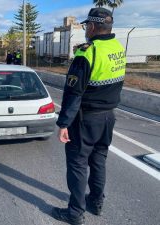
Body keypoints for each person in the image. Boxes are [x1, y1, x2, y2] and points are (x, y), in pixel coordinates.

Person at [52, 8, 126, 225]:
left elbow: (74, 93)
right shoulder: (118, 48)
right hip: (108, 117)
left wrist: (64, 123)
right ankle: (96, 202)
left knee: (77, 164)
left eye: (86, 27)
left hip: (86, 119)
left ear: (93, 27)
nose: (86, 30)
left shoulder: (87, 52)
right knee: (99, 161)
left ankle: (74, 213)